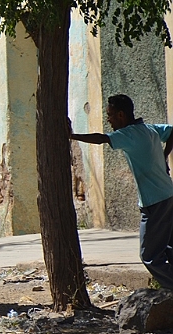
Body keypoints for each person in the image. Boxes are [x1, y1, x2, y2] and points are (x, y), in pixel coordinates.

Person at [69, 94, 173, 289]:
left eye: (109, 115)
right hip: (168, 195)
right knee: (168, 247)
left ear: (121, 115)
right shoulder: (149, 130)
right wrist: (164, 155)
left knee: (149, 256)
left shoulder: (128, 135)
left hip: (154, 202)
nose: (108, 119)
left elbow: (101, 139)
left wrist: (71, 136)